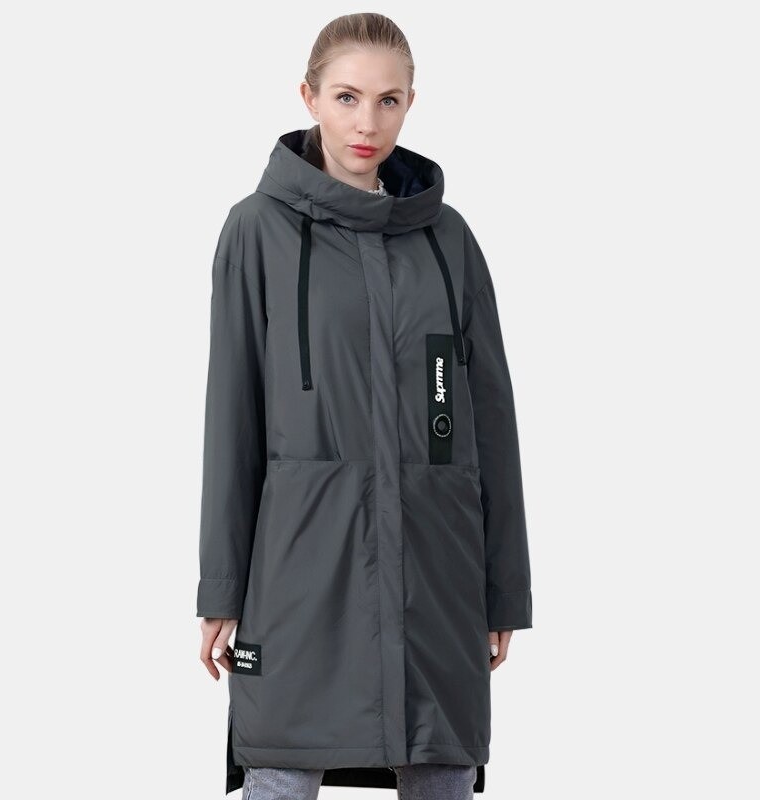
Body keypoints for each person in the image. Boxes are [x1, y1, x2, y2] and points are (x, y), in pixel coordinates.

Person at [196, 12, 533, 800]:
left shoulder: (449, 241)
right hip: (301, 570)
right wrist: (221, 589)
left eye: (388, 100)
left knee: (442, 765)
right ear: (309, 97)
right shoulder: (256, 232)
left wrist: (503, 587)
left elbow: (489, 422)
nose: (366, 123)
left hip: (437, 571)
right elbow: (231, 420)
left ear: (411, 103)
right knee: (281, 768)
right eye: (347, 97)